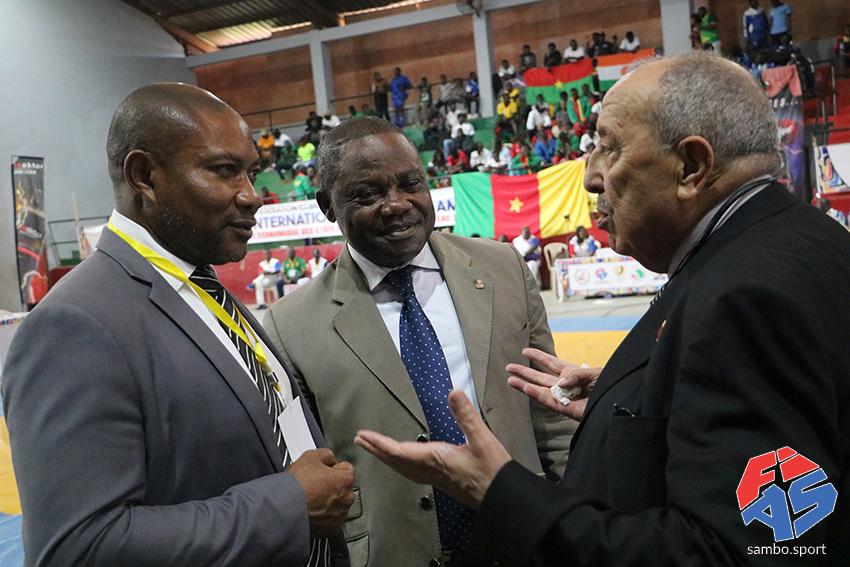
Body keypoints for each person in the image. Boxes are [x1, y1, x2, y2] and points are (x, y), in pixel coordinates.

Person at [353, 52, 850, 566]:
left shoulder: (746, 298)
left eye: (608, 148)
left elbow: (733, 553)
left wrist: (500, 491)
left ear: (691, 167)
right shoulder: (794, 241)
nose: (591, 176)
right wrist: (639, 395)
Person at [1, 83, 354, 566]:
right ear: (144, 176)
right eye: (224, 170)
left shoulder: (203, 287)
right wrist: (289, 506)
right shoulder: (73, 326)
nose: (251, 196)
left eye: (251, 173)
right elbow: (79, 548)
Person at [263, 116, 574, 567]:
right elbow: (311, 470)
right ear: (327, 206)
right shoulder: (289, 324)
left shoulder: (502, 267)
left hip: (525, 540)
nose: (396, 204)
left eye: (410, 184)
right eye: (367, 195)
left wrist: (574, 518)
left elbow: (551, 412)